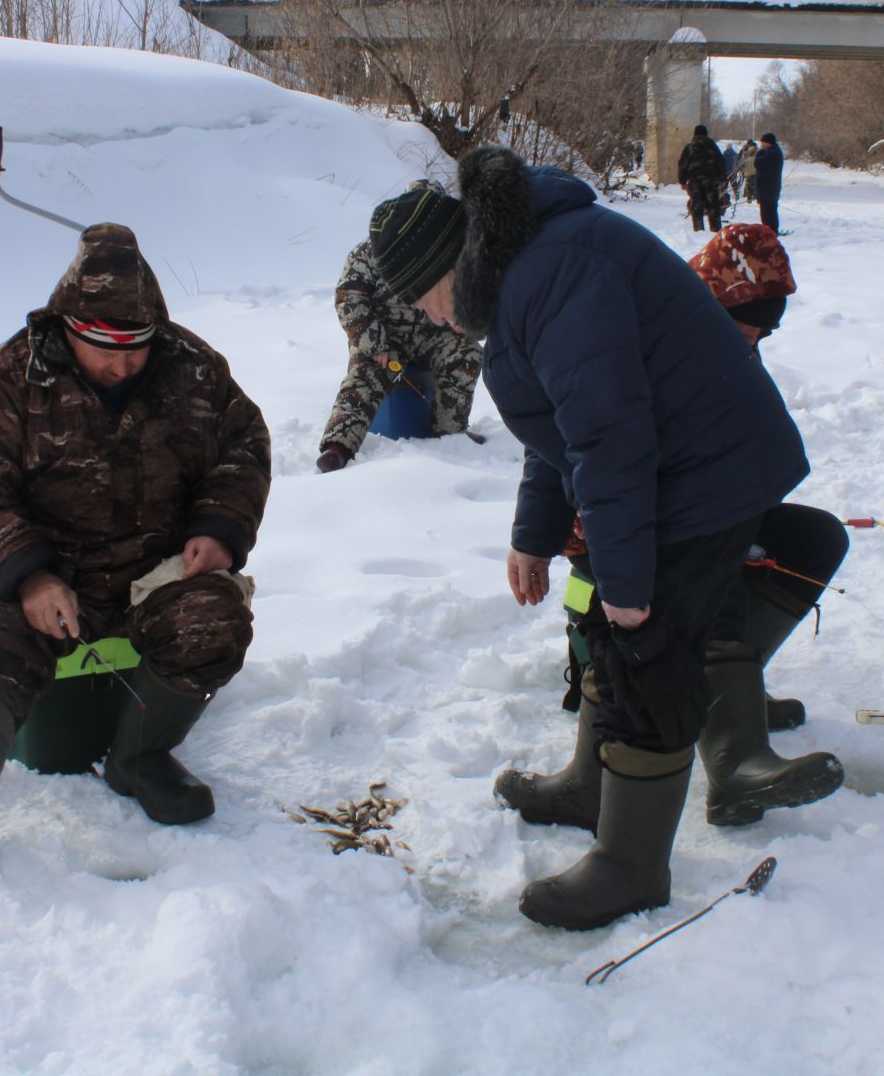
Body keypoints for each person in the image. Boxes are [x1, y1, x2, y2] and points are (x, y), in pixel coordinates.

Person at [373, 146, 842, 931]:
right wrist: (535, 533)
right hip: (680, 464)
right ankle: (593, 788)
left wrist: (629, 591)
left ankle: (631, 866)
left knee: (645, 648)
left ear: (450, 263)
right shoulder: (526, 268)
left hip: (705, 474)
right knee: (606, 627)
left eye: (421, 297)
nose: (425, 317)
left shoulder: (550, 274)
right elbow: (561, 428)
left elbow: (609, 440)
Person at [0, 224, 272, 884]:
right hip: (43, 581)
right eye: (104, 347)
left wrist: (219, 528)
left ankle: (139, 757)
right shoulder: (5, 379)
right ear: (67, 323)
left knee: (215, 618)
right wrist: (28, 573)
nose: (122, 364)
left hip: (153, 576)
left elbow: (242, 449)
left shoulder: (193, 368)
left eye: (137, 348)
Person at [315, 193, 485, 473]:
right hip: (384, 339)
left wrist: (461, 322)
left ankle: (449, 434)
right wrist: (375, 343)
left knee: (466, 354)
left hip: (431, 336)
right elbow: (349, 297)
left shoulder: (445, 255)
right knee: (362, 378)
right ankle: (338, 445)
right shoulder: (367, 253)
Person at [675, 124, 730, 232]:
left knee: (697, 207)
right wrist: (723, 179)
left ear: (695, 134)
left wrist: (682, 181)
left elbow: (683, 164)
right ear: (706, 134)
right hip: (711, 181)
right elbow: (721, 163)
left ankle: (699, 230)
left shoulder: (689, 148)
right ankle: (716, 232)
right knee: (713, 207)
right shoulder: (713, 147)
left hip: (694, 182)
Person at [754, 132, 785, 233]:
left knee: (767, 212)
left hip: (768, 187)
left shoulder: (772, 153)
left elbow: (758, 163)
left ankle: (770, 231)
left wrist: (759, 153)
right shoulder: (774, 151)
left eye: (763, 143)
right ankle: (771, 230)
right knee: (770, 210)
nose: (761, 145)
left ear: (768, 143)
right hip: (770, 187)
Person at [736, 138, 759, 204]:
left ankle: (748, 197)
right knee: (754, 184)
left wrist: (740, 168)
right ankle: (754, 197)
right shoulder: (758, 150)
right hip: (756, 170)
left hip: (747, 169)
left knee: (747, 183)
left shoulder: (746, 150)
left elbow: (740, 158)